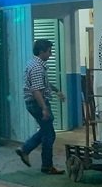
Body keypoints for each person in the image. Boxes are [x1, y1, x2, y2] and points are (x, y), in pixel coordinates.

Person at [15, 39, 66, 175]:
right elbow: (36, 90)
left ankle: (26, 150)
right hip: (37, 103)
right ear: (42, 51)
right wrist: (44, 108)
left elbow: (43, 84)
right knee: (49, 134)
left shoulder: (34, 64)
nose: (50, 54)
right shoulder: (37, 67)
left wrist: (56, 91)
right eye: (49, 51)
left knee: (46, 131)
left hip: (34, 103)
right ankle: (46, 165)